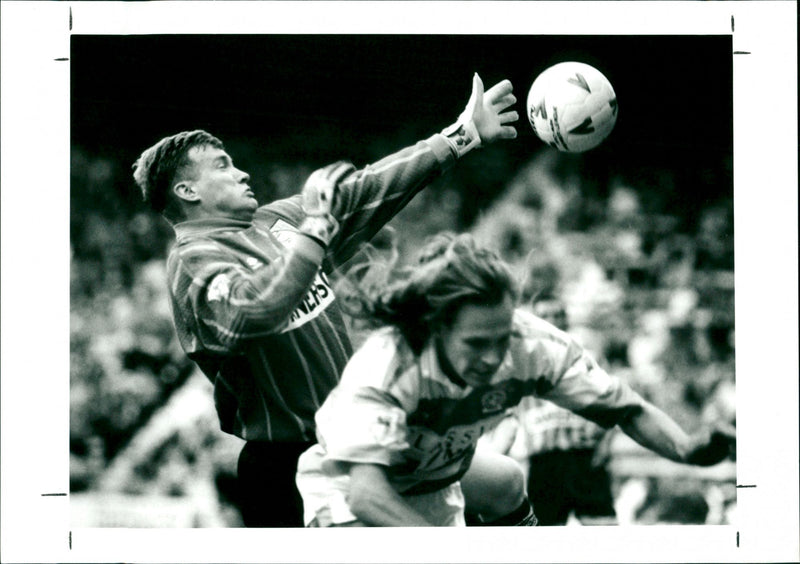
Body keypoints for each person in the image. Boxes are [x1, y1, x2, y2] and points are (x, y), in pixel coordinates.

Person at [131, 74, 519, 527]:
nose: (241, 172)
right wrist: (314, 234)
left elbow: (366, 190)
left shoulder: (274, 221)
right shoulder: (192, 261)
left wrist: (459, 137)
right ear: (187, 191)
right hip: (288, 464)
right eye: (221, 165)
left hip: (360, 434)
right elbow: (250, 313)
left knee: (504, 480)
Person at [295, 233, 735, 527]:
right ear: (436, 327)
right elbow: (366, 494)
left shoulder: (531, 343)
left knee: (506, 481)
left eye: (501, 337)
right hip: (349, 492)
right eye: (475, 343)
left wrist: (688, 448)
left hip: (437, 476)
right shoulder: (388, 365)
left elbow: (625, 408)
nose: (493, 357)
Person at [479, 297, 619, 526]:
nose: (553, 320)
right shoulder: (521, 360)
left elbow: (611, 400)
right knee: (544, 533)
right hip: (545, 460)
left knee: (603, 528)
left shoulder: (586, 355)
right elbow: (507, 414)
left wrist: (605, 445)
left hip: (584, 456)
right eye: (546, 315)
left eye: (558, 314)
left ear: (567, 317)